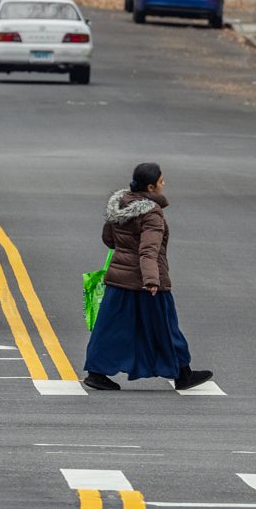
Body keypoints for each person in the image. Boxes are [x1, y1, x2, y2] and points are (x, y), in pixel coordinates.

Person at [83, 162, 213, 392]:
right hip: (147, 282)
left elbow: (109, 240)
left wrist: (125, 250)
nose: (164, 185)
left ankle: (96, 373)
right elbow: (148, 250)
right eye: (162, 181)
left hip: (120, 279)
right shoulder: (152, 213)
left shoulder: (120, 207)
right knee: (166, 326)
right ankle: (183, 374)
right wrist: (151, 280)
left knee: (110, 328)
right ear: (151, 187)